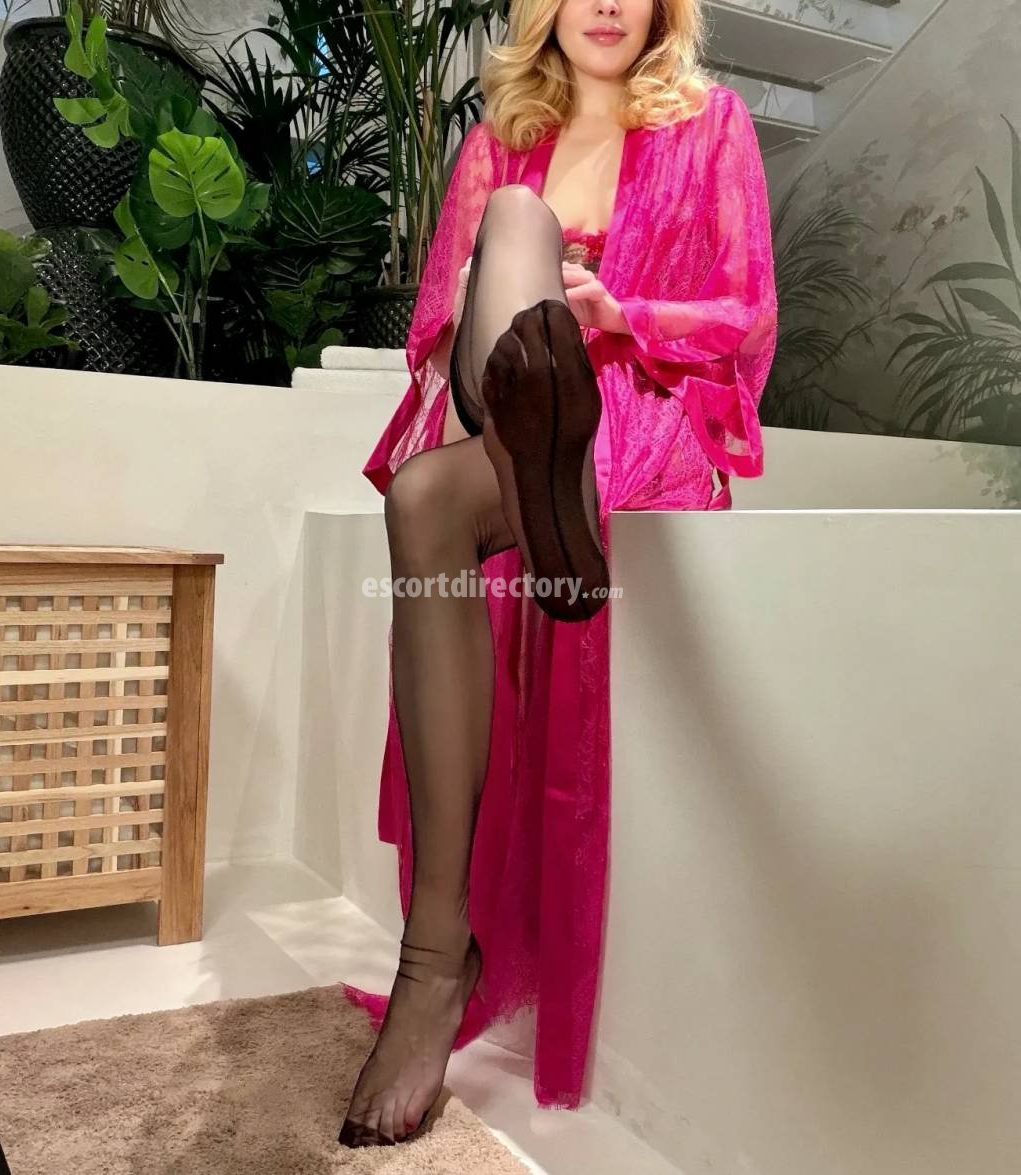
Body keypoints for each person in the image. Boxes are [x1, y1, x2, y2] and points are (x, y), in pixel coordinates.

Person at [338, 0, 778, 1148]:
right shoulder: (500, 142)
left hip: (630, 407)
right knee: (432, 466)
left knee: (434, 487)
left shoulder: (711, 123)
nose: (606, 4)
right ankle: (537, 464)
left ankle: (436, 963)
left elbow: (746, 314)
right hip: (510, 433)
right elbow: (434, 327)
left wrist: (618, 309)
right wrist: (504, 303)